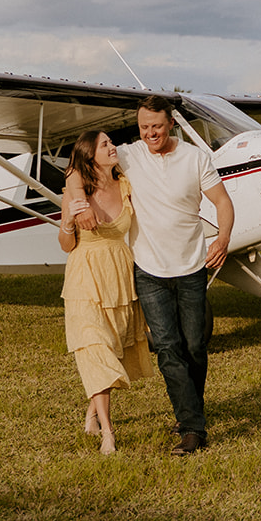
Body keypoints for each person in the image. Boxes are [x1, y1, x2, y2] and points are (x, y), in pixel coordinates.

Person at [118, 96, 234, 456]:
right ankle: (192, 428)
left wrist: (224, 238)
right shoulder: (128, 155)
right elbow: (80, 162)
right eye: (143, 127)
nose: (149, 133)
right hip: (149, 270)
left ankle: (190, 412)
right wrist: (74, 206)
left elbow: (223, 203)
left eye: (156, 126)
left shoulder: (195, 158)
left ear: (171, 124)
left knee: (195, 347)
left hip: (192, 267)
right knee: (168, 348)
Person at [58, 129, 152, 455]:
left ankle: (91, 415)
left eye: (111, 142)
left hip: (120, 274)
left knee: (112, 348)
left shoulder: (125, 185)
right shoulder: (75, 192)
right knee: (94, 347)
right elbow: (67, 245)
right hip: (86, 276)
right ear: (89, 155)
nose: (113, 147)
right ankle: (108, 434)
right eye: (105, 144)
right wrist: (69, 221)